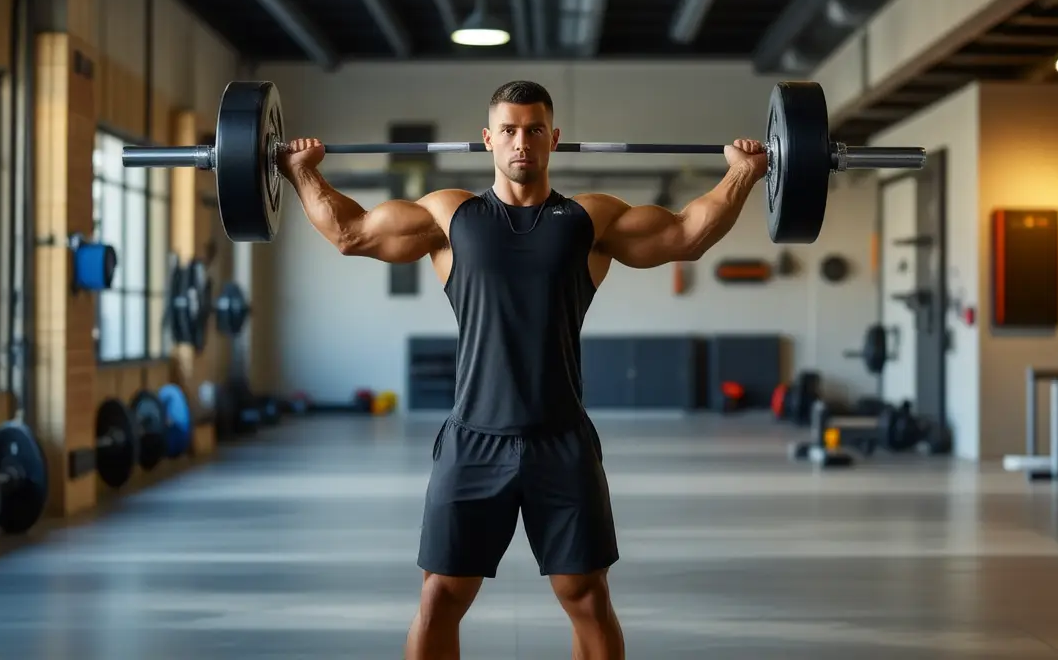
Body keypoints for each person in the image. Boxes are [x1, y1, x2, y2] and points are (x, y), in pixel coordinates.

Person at [277, 80, 769, 660]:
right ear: (488, 138)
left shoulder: (589, 220)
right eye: (508, 130)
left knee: (587, 598)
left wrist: (743, 173)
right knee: (440, 598)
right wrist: (301, 171)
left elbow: (684, 235)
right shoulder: (450, 216)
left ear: (553, 138)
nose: (521, 142)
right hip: (472, 441)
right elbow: (351, 233)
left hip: (561, 442)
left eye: (534, 130)